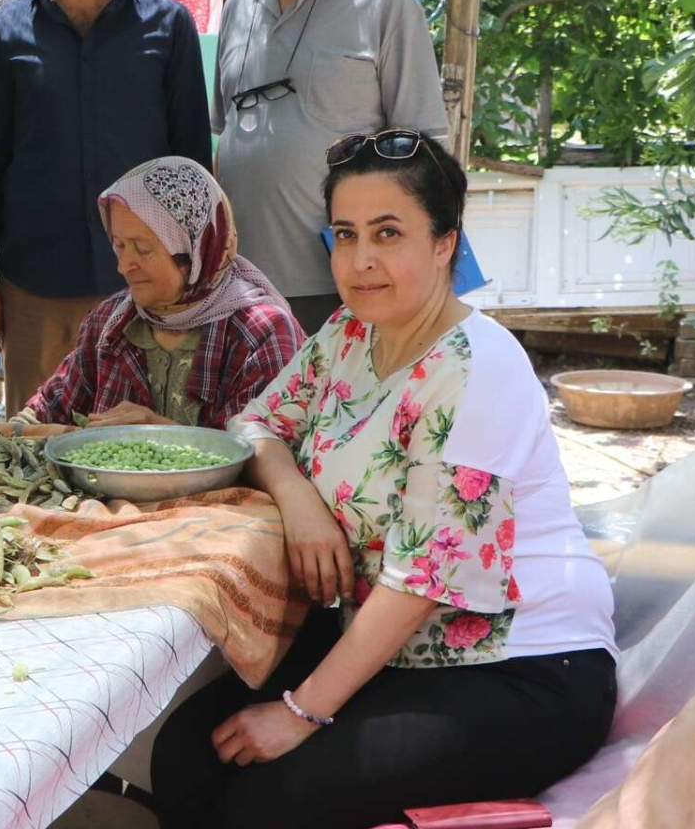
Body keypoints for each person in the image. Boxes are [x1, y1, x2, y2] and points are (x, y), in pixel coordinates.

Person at [149, 131, 616, 829]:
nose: (360, 259)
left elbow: (421, 580)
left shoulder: (478, 368)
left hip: (521, 665)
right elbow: (255, 424)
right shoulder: (351, 332)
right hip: (388, 645)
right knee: (185, 756)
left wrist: (301, 712)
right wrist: (299, 500)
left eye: (388, 233)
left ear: (444, 243)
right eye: (345, 234)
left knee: (265, 804)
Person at [0, 0, 211, 408]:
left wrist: (196, 276)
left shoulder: (169, 26)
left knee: (145, 442)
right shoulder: (4, 33)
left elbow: (192, 163)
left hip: (149, 289)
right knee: (36, 443)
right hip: (35, 289)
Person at [212, 0, 449, 334]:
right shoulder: (237, 8)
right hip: (240, 289)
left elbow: (425, 155)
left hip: (348, 287)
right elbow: (224, 138)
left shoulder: (385, 2)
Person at [16, 157, 302, 430]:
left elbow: (262, 448)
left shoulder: (261, 334)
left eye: (142, 249)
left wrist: (159, 434)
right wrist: (14, 430)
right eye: (119, 245)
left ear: (195, 251)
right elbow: (51, 408)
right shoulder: (110, 322)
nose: (123, 266)